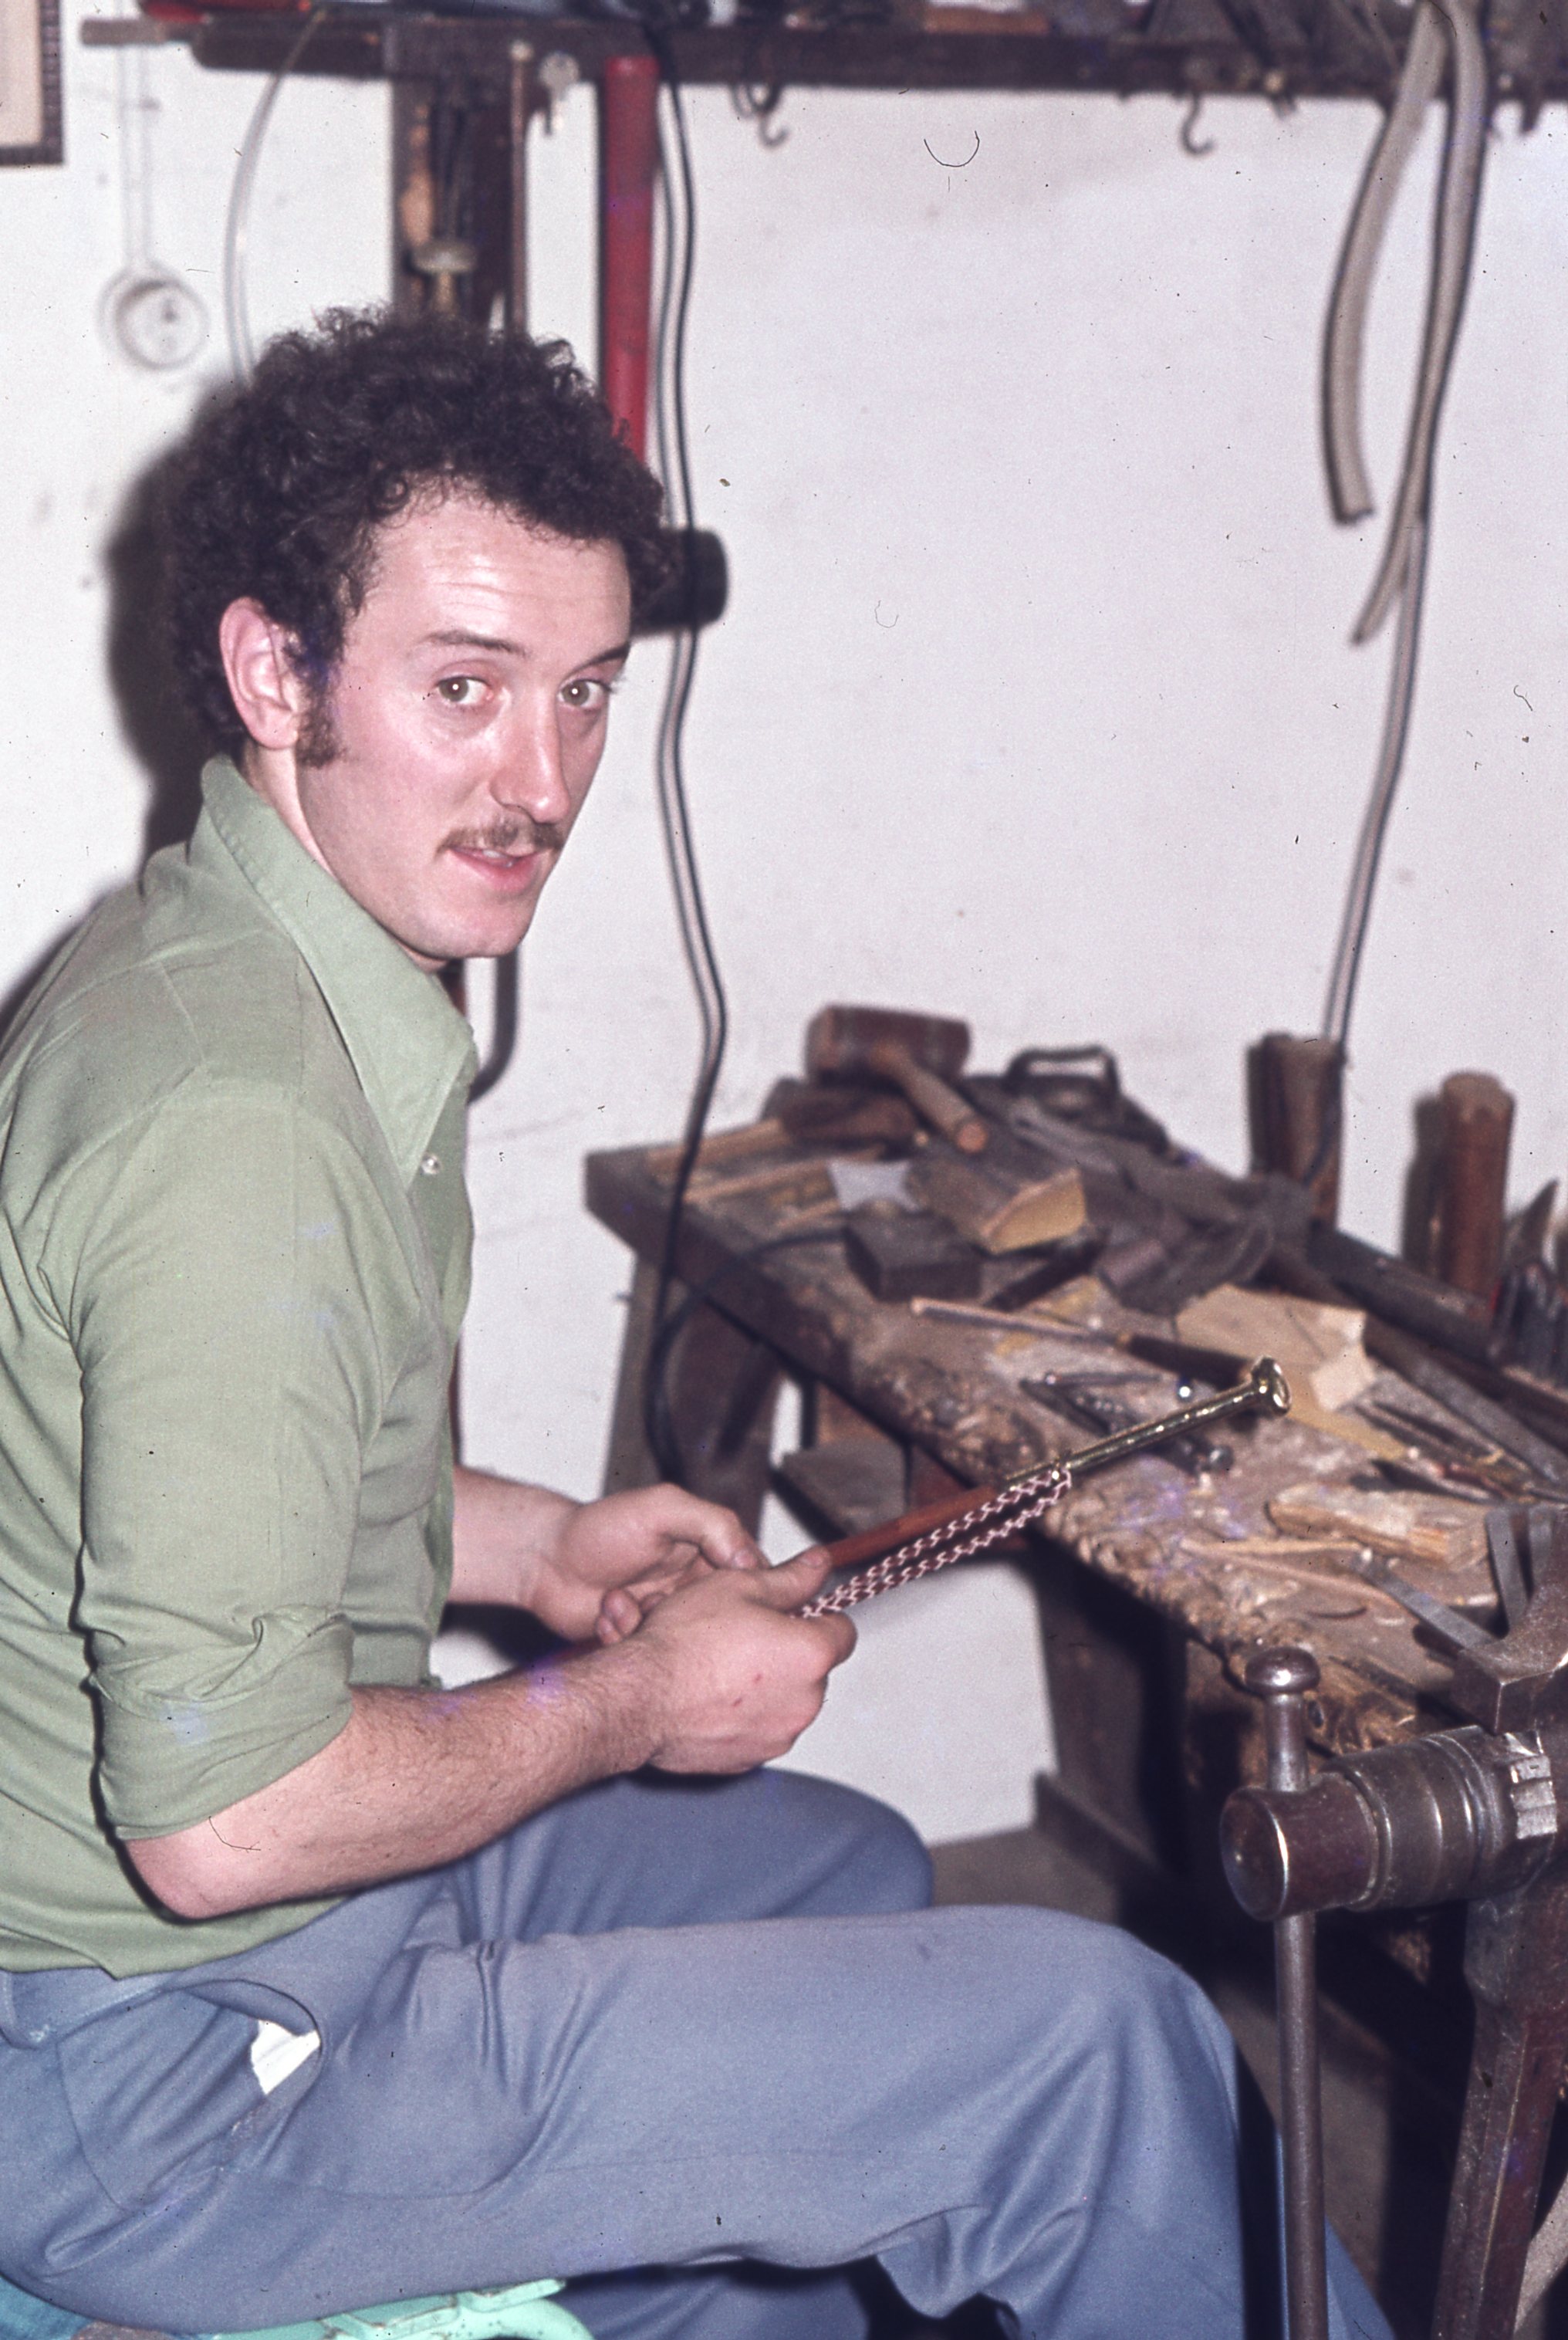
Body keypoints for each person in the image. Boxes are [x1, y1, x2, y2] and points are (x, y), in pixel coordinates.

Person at [0, 309, 1388, 2340]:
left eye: (583, 693)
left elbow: (206, 1489)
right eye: (464, 689)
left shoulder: (233, 953)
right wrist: (633, 1704)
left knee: (840, 1869)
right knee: (1086, 2052)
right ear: (274, 671)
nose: (541, 781)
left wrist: (545, 1548)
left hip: (226, 1953)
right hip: (163, 2075)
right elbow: (221, 1826)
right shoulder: (237, 1123)